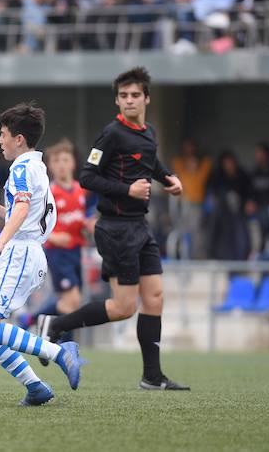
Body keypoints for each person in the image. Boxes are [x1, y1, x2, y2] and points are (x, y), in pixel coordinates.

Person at [39, 67, 190, 391]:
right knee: (124, 308)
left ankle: (152, 377)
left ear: (147, 98)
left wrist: (169, 178)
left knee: (155, 298)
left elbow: (151, 162)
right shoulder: (111, 134)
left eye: (135, 95)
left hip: (140, 227)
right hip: (117, 229)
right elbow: (87, 177)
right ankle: (56, 324)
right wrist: (127, 190)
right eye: (124, 96)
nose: (130, 100)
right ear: (117, 101)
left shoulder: (149, 132)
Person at [0, 104, 82, 407]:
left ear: (18, 139)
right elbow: (29, 213)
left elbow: (21, 209)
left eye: (3, 134)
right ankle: (35, 387)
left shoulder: (20, 168)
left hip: (19, 253)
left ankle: (60, 352)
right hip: (31, 252)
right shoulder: (38, 167)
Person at [32, 139, 90, 353]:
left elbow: (78, 220)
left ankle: (42, 325)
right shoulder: (49, 192)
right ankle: (61, 343)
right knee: (71, 300)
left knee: (71, 303)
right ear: (50, 166)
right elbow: (35, 224)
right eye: (56, 161)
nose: (62, 164)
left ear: (73, 163)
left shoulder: (80, 190)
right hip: (57, 253)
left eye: (65, 159)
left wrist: (88, 225)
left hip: (75, 251)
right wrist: (55, 237)